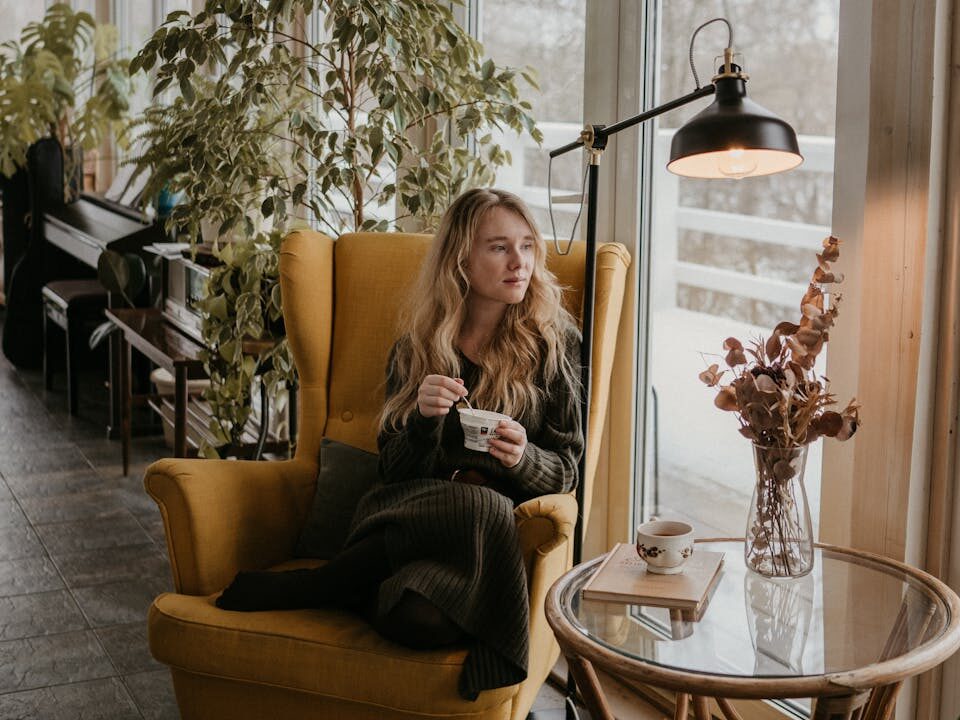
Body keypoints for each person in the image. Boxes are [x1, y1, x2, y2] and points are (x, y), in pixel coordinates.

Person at [215, 187, 583, 700]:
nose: (519, 262)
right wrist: (424, 423)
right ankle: (332, 583)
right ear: (461, 259)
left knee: (427, 622)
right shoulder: (417, 345)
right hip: (404, 514)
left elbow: (567, 469)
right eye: (499, 247)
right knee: (482, 505)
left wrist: (523, 458)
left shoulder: (554, 344)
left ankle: (336, 586)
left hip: (475, 549)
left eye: (527, 246)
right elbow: (394, 470)